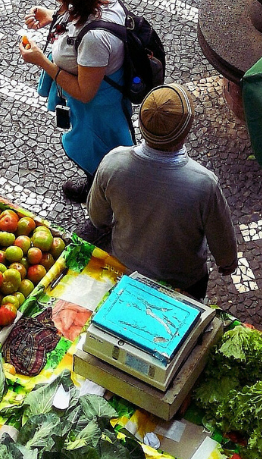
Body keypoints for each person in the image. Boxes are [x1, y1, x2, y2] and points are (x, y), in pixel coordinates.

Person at [85, 84, 237, 301]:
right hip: (183, 285)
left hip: (125, 269)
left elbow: (98, 218)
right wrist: (227, 263)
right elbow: (224, 246)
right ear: (186, 132)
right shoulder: (203, 183)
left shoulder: (113, 162)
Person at [17, 0, 135, 203]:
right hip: (103, 100)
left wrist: (42, 61)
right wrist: (53, 17)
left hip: (97, 109)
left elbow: (84, 92)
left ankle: (101, 195)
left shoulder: (93, 40)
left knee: (99, 153)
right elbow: (80, 18)